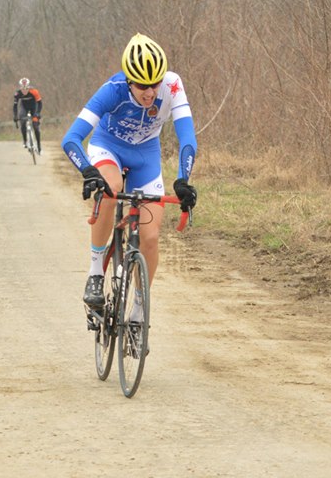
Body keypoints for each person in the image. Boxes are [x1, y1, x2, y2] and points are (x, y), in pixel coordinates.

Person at [61, 33, 198, 311]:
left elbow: (188, 140)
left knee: (149, 237)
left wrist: (183, 179)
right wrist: (88, 171)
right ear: (128, 81)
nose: (149, 92)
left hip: (145, 156)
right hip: (108, 147)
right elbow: (71, 139)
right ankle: (96, 272)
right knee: (111, 189)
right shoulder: (112, 90)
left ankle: (138, 307)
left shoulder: (172, 86)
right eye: (141, 86)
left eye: (154, 84)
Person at [12, 77, 43, 154]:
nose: (24, 91)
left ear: (29, 87)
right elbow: (15, 106)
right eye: (23, 89)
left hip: (34, 107)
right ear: (20, 88)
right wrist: (15, 116)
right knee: (22, 122)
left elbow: (40, 103)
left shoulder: (34, 92)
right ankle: (25, 141)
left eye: (26, 89)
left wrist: (38, 113)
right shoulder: (17, 93)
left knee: (36, 126)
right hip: (24, 107)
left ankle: (39, 146)